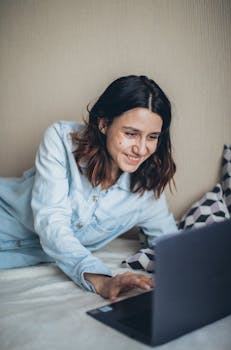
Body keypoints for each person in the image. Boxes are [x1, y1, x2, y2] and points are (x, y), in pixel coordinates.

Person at [0, 75, 177, 301]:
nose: (141, 150)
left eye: (152, 137)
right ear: (104, 123)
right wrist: (102, 280)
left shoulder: (146, 192)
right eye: (131, 134)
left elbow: (172, 248)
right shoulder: (60, 140)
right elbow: (51, 221)